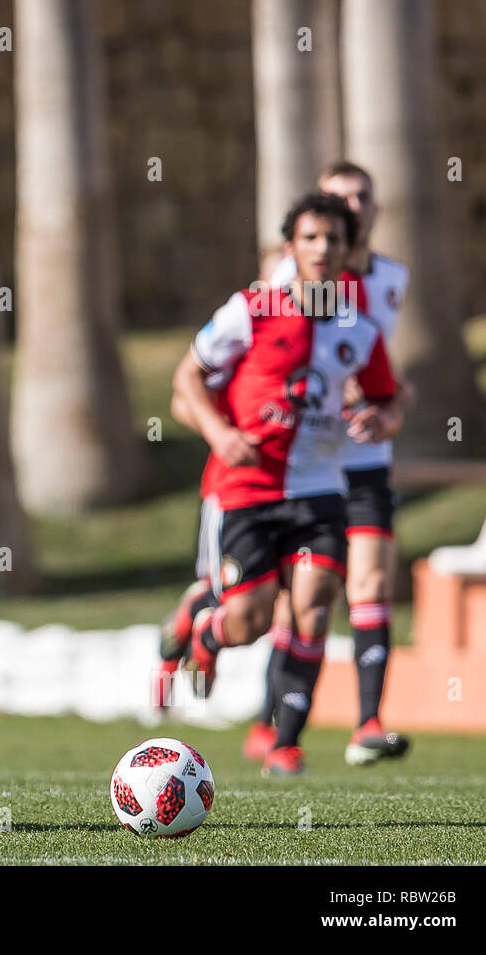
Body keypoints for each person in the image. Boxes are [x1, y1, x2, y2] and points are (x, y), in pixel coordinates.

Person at [167, 191, 403, 776]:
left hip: (321, 491)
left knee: (315, 609)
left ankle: (286, 743)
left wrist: (382, 418)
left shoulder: (360, 328)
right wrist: (221, 435)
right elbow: (187, 376)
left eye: (334, 239)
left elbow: (390, 399)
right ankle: (210, 632)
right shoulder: (252, 310)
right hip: (247, 491)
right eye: (311, 237)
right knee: (249, 621)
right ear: (290, 246)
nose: (323, 249)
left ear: (350, 250)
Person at [243, 161, 414, 767]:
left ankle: (368, 723)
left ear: (373, 211)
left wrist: (385, 413)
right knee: (298, 602)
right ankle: (275, 727)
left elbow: (391, 383)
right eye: (340, 200)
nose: (353, 208)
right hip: (305, 464)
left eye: (363, 198)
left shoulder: (392, 278)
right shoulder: (292, 278)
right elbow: (274, 358)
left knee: (369, 584)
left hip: (363, 459)